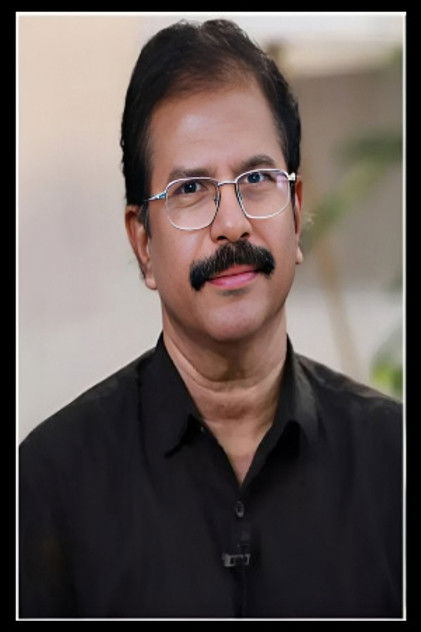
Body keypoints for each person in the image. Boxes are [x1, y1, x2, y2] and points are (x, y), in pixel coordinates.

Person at [19, 19, 403, 619]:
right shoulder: (49, 483)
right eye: (191, 189)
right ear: (143, 243)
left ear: (296, 212)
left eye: (257, 179)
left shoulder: (391, 461)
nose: (232, 223)